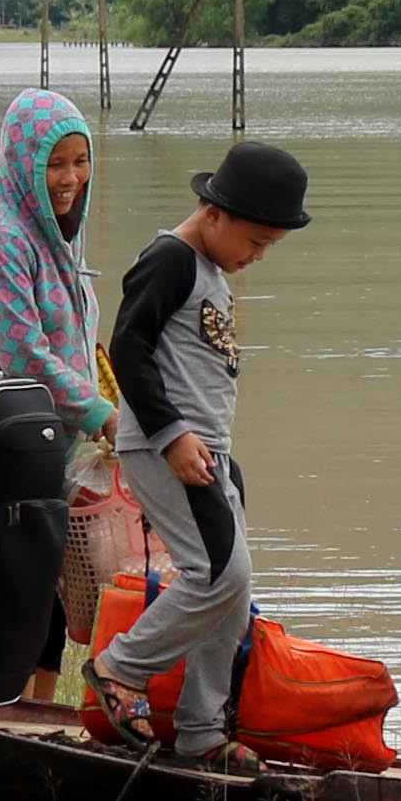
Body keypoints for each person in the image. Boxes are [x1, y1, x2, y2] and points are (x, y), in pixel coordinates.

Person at [88, 138, 308, 759]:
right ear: (214, 214)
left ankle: (203, 732)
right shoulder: (172, 260)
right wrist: (171, 435)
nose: (257, 257)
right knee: (219, 574)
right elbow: (128, 347)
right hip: (166, 445)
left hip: (204, 447)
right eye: (255, 242)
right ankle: (121, 667)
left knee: (233, 589)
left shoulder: (209, 268)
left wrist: (214, 450)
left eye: (269, 247)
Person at [0, 83, 137, 693]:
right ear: (21, 163)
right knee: (23, 583)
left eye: (81, 161)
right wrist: (102, 414)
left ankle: (40, 708)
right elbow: (25, 356)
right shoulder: (2, 241)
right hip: (8, 441)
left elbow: (78, 339)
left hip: (56, 436)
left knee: (59, 586)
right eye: (54, 163)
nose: (70, 177)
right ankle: (2, 703)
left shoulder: (60, 236)